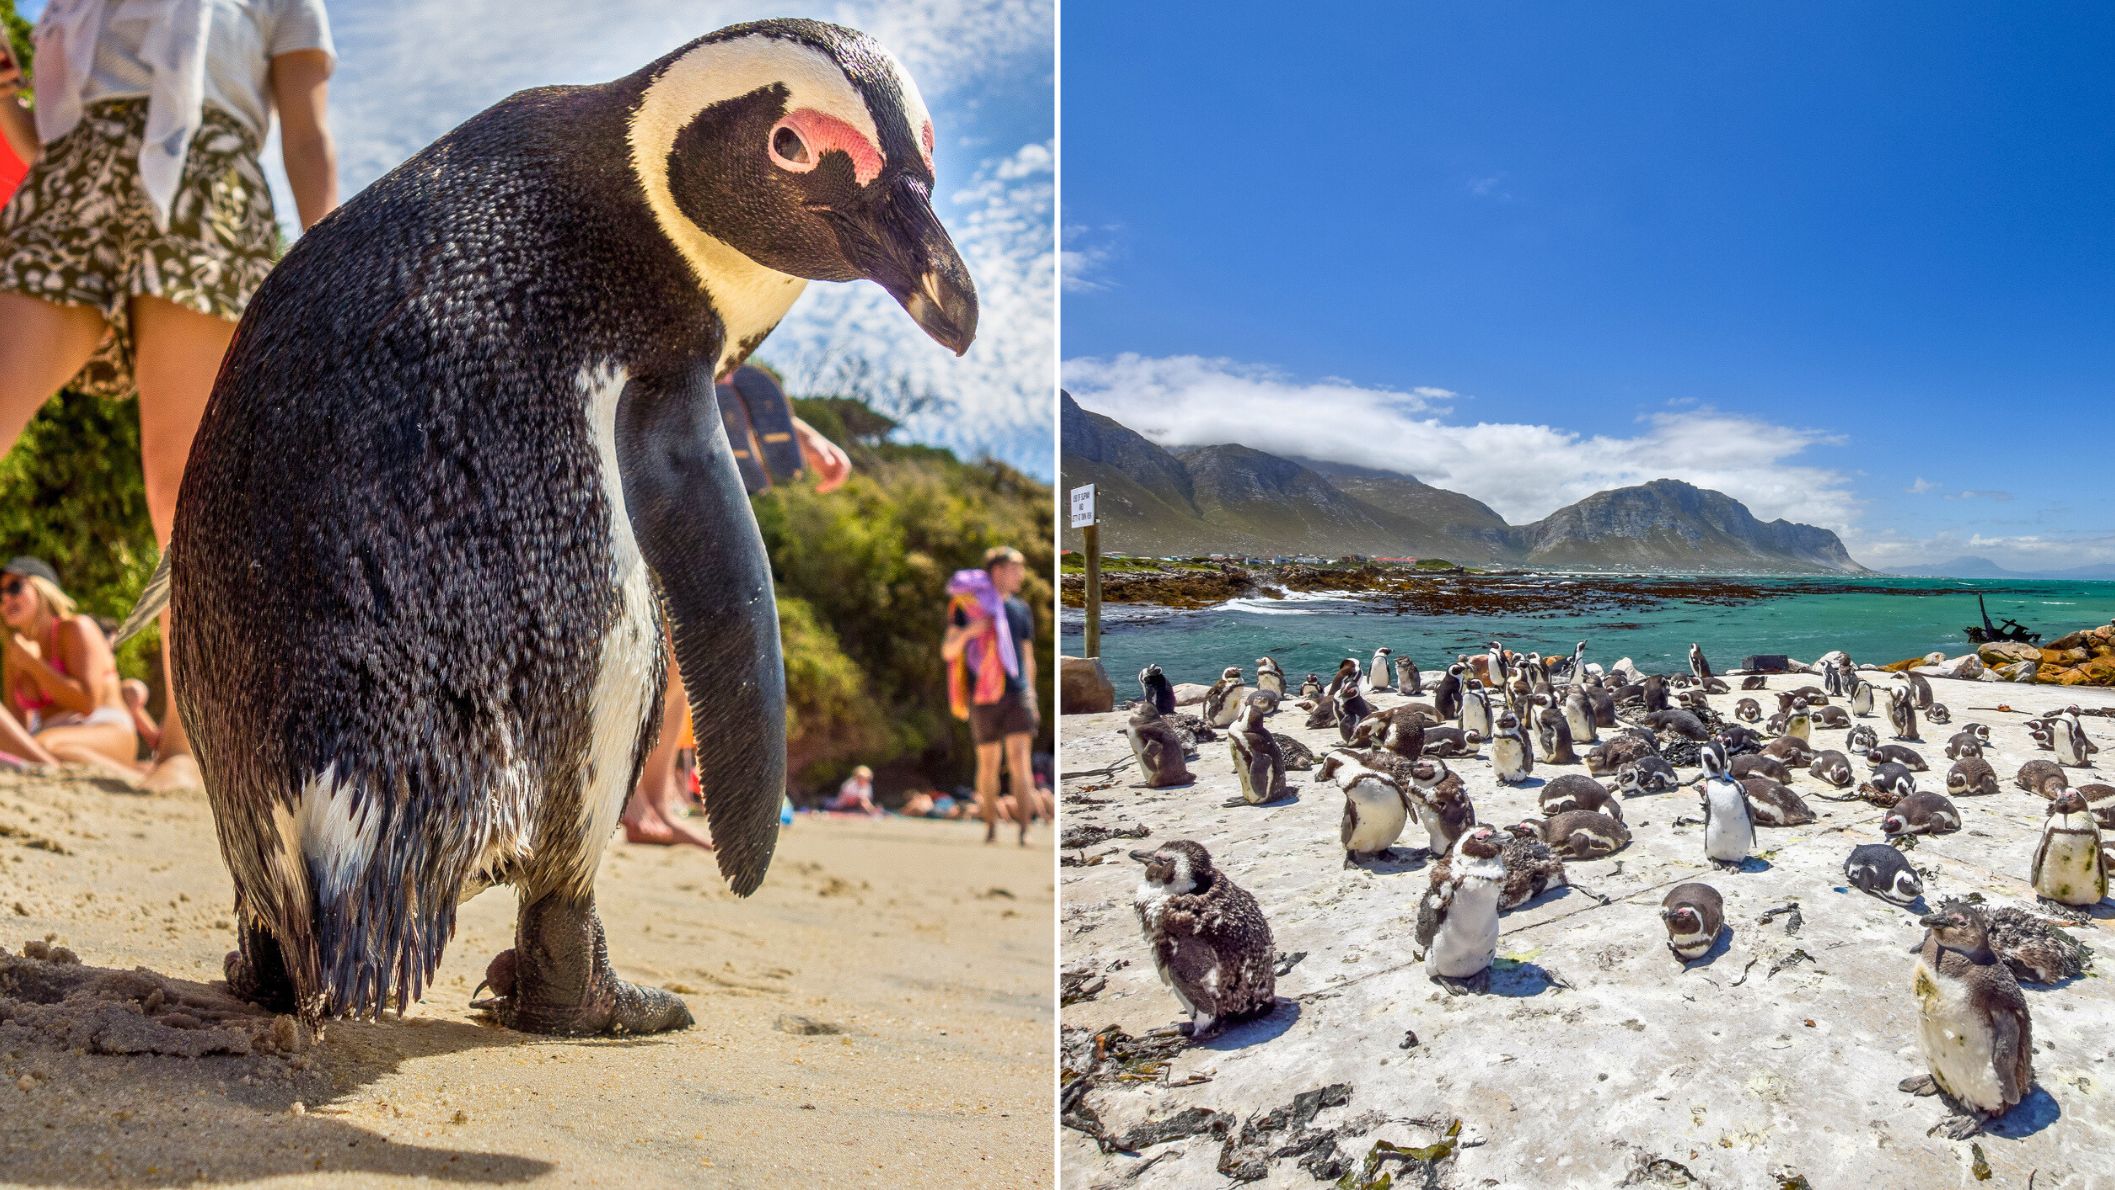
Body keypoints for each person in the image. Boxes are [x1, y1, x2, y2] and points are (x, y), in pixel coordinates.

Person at [0, 0, 338, 792]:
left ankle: (187, 741)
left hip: (204, 180)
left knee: (178, 482)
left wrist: (330, 265)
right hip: (71, 180)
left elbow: (307, 133)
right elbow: (45, 137)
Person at [621, 419, 851, 848]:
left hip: (689, 472)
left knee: (681, 655)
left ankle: (655, 799)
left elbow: (733, 379)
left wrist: (803, 436)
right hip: (633, 463)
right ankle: (627, 794)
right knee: (637, 637)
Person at [0, 556, 138, 770]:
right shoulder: (14, 652)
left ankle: (130, 772)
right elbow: (17, 729)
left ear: (43, 589)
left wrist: (34, 665)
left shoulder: (76, 627)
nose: (6, 598)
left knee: (42, 746)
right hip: (50, 737)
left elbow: (87, 703)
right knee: (29, 746)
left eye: (14, 587)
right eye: (0, 595)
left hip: (105, 727)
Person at [943, 545, 1039, 845]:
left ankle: (1024, 831)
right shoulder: (968, 606)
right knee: (988, 765)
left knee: (1020, 761)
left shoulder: (1021, 609)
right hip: (983, 696)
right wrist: (972, 630)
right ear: (996, 571)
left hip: (1017, 692)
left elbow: (1028, 656)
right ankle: (991, 828)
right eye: (1015, 569)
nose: (1020, 575)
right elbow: (948, 650)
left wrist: (1032, 695)